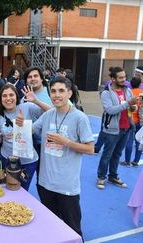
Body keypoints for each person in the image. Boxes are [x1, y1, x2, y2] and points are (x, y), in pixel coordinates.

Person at [32, 76, 94, 237]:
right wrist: (18, 124)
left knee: (72, 230)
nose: (56, 95)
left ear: (70, 93)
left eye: (61, 91)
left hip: (66, 187)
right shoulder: (48, 115)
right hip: (45, 183)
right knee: (51, 226)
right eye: (53, 91)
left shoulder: (80, 118)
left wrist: (65, 142)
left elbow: (90, 149)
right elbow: (30, 130)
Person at [0, 84, 50, 190]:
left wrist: (36, 101)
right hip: (7, 159)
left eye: (11, 95)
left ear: (16, 96)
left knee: (23, 190)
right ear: (0, 99)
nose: (8, 98)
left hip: (28, 161)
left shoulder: (26, 107)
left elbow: (51, 111)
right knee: (8, 188)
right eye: (4, 96)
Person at [96, 67, 138, 190]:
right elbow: (110, 110)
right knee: (107, 154)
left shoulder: (127, 90)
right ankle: (101, 176)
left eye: (124, 77)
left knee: (117, 154)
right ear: (113, 79)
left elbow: (130, 107)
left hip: (126, 127)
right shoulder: (106, 93)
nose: (124, 80)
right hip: (112, 129)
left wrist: (133, 107)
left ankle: (113, 176)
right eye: (120, 77)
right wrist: (127, 104)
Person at [120, 77, 143, 167]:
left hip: (130, 120)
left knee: (129, 141)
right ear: (140, 84)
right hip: (141, 120)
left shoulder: (129, 93)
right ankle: (136, 161)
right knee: (139, 141)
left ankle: (127, 161)